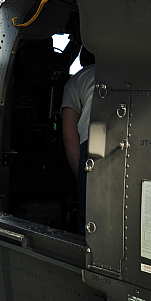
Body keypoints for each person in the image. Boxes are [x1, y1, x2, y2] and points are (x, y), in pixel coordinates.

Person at [61, 47, 96, 236]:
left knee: (90, 221)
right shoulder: (128, 72)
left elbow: (70, 137)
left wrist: (82, 179)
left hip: (94, 145)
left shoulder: (78, 79)